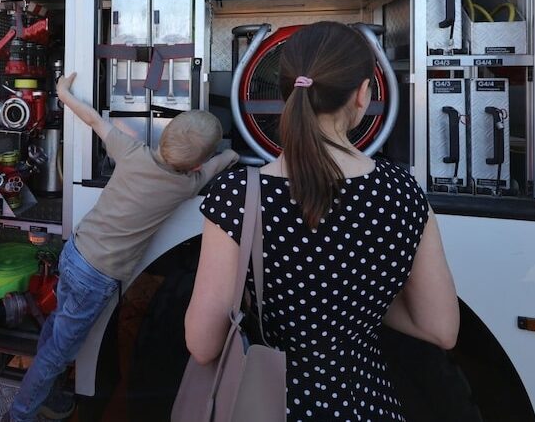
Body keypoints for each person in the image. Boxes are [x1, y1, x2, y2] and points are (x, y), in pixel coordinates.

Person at [185, 21, 459, 421]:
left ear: (283, 91)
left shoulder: (238, 195)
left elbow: (203, 344)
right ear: (363, 95)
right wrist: (348, 301)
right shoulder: (404, 190)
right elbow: (440, 328)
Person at [5, 72, 240, 422]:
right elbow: (219, 164)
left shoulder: (131, 152)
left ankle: (50, 396)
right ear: (195, 164)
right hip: (96, 278)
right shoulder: (186, 185)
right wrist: (235, 153)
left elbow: (94, 119)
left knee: (56, 329)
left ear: (165, 137)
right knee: (59, 352)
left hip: (74, 254)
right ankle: (19, 415)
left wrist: (63, 93)